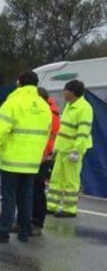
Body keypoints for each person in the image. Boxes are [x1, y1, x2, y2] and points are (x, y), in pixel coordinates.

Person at [0, 71, 52, 243]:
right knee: (27, 197)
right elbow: (46, 134)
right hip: (32, 162)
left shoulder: (12, 102)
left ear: (19, 83)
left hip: (11, 161)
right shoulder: (44, 106)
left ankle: (3, 231)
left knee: (9, 197)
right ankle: (24, 231)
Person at [46, 79, 93, 218]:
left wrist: (76, 151)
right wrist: (55, 149)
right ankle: (52, 205)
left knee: (71, 181)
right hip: (62, 149)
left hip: (73, 151)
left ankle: (69, 209)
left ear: (72, 92)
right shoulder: (70, 106)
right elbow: (63, 130)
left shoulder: (84, 108)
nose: (63, 93)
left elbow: (83, 132)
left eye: (65, 90)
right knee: (56, 179)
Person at [22, 87, 59, 233]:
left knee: (37, 188)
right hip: (34, 155)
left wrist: (43, 155)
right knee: (31, 188)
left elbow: (50, 137)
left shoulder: (51, 113)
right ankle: (29, 219)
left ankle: (37, 221)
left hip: (42, 157)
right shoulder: (46, 109)